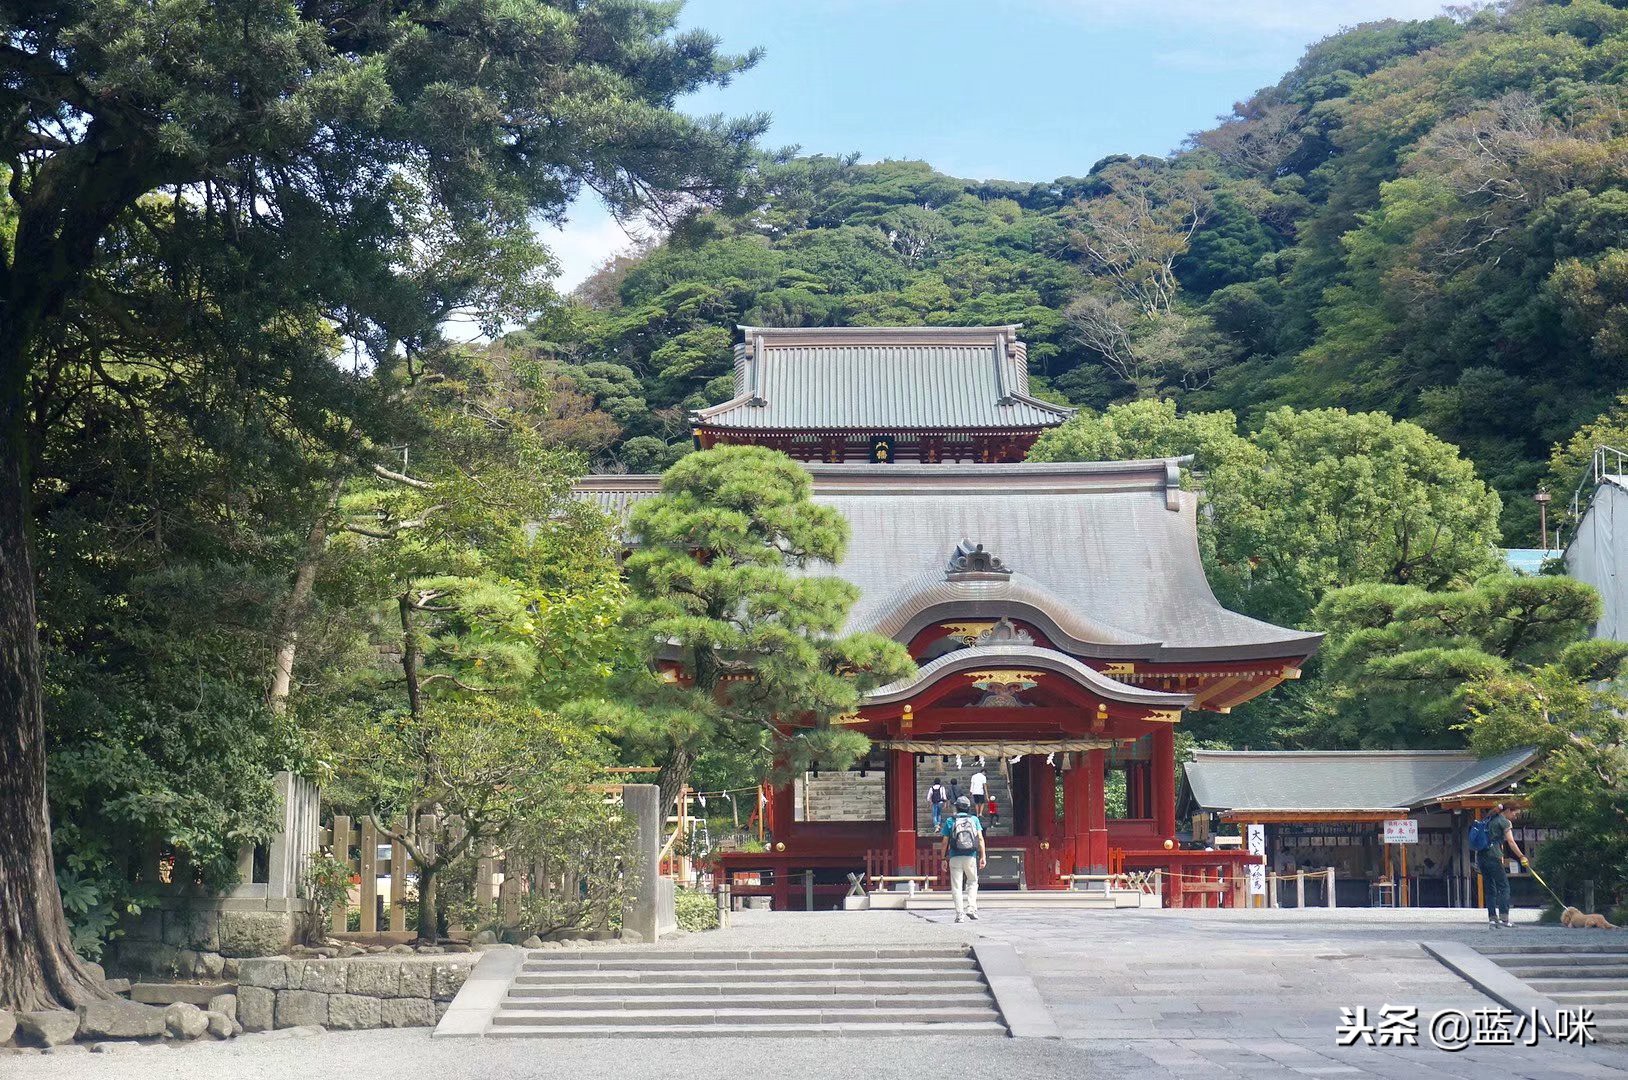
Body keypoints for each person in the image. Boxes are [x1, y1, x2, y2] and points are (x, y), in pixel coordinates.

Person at [1472, 803, 1528, 928]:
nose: (1515, 817)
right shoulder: (1504, 822)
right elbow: (1511, 842)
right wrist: (1521, 856)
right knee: (1504, 887)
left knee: (1490, 888)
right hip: (1494, 856)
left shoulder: (1489, 819)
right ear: (1508, 810)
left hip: (1482, 857)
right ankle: (1504, 918)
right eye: (1515, 813)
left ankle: (1492, 919)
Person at [941, 795, 986, 923]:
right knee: (972, 882)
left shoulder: (950, 821)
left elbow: (944, 842)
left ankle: (959, 914)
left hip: (955, 856)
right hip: (970, 855)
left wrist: (943, 858)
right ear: (968, 807)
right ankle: (971, 908)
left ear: (956, 807)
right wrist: (983, 855)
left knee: (956, 885)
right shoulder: (974, 820)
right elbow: (980, 839)